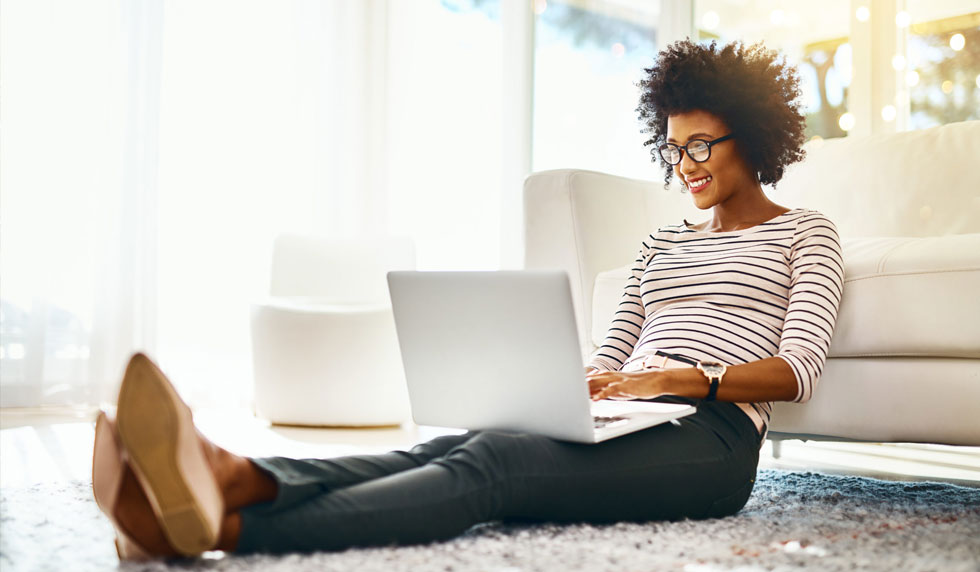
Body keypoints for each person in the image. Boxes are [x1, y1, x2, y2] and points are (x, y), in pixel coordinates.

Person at [91, 39, 844, 559]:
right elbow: (611, 356)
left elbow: (800, 369)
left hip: (712, 441)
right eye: (674, 149)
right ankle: (235, 475)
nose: (686, 165)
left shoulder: (807, 234)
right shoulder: (659, 245)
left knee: (496, 468)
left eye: (701, 145)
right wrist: (565, 387)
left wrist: (688, 380)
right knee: (452, 445)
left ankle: (226, 528)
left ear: (749, 136)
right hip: (629, 413)